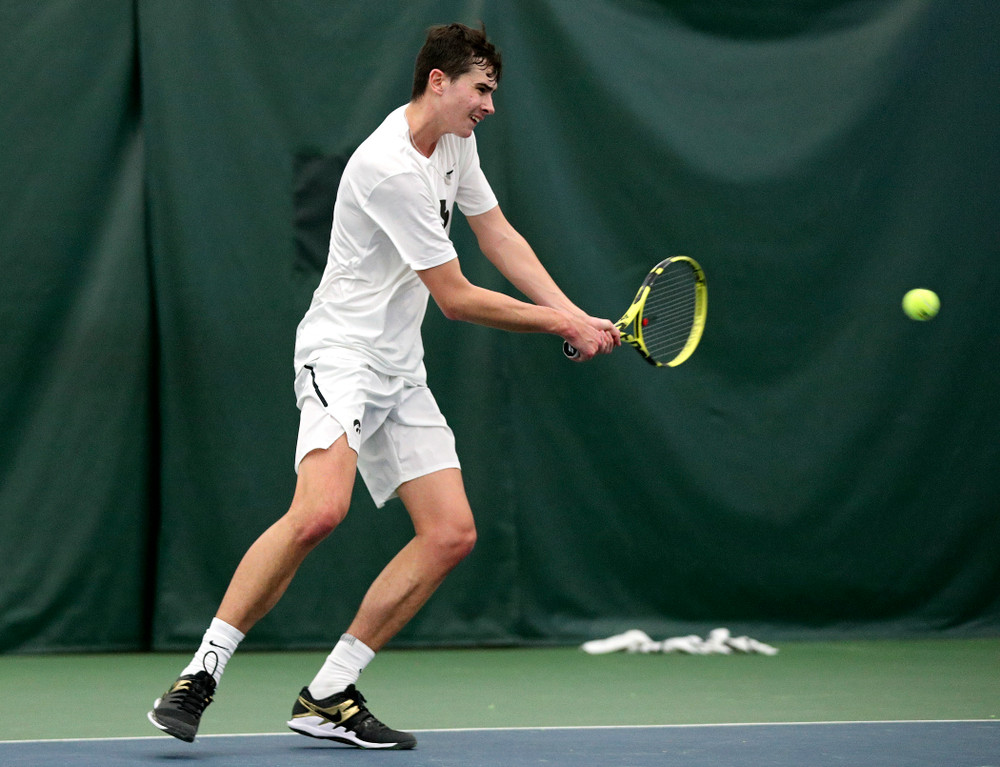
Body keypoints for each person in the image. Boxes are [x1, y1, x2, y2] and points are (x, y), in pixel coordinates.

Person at [147, 22, 619, 751]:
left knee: (451, 532)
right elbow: (458, 297)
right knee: (318, 513)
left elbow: (497, 235)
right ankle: (198, 674)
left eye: (493, 91)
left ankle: (330, 690)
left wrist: (571, 312)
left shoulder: (456, 143)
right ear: (440, 81)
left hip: (399, 367)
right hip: (342, 353)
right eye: (482, 89)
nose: (490, 105)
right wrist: (562, 323)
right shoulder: (389, 166)